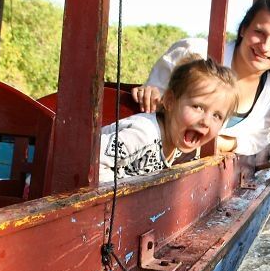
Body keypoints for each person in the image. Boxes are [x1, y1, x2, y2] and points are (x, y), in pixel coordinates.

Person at [133, 0, 270, 156]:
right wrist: (150, 94)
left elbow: (258, 138)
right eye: (259, 33)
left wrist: (220, 144)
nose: (265, 47)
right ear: (243, 29)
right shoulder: (195, 53)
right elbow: (156, 93)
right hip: (154, 152)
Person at [99, 57, 238, 183]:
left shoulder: (178, 142)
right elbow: (91, 163)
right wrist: (124, 195)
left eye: (217, 116)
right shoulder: (144, 135)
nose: (206, 122)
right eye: (198, 107)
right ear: (170, 101)